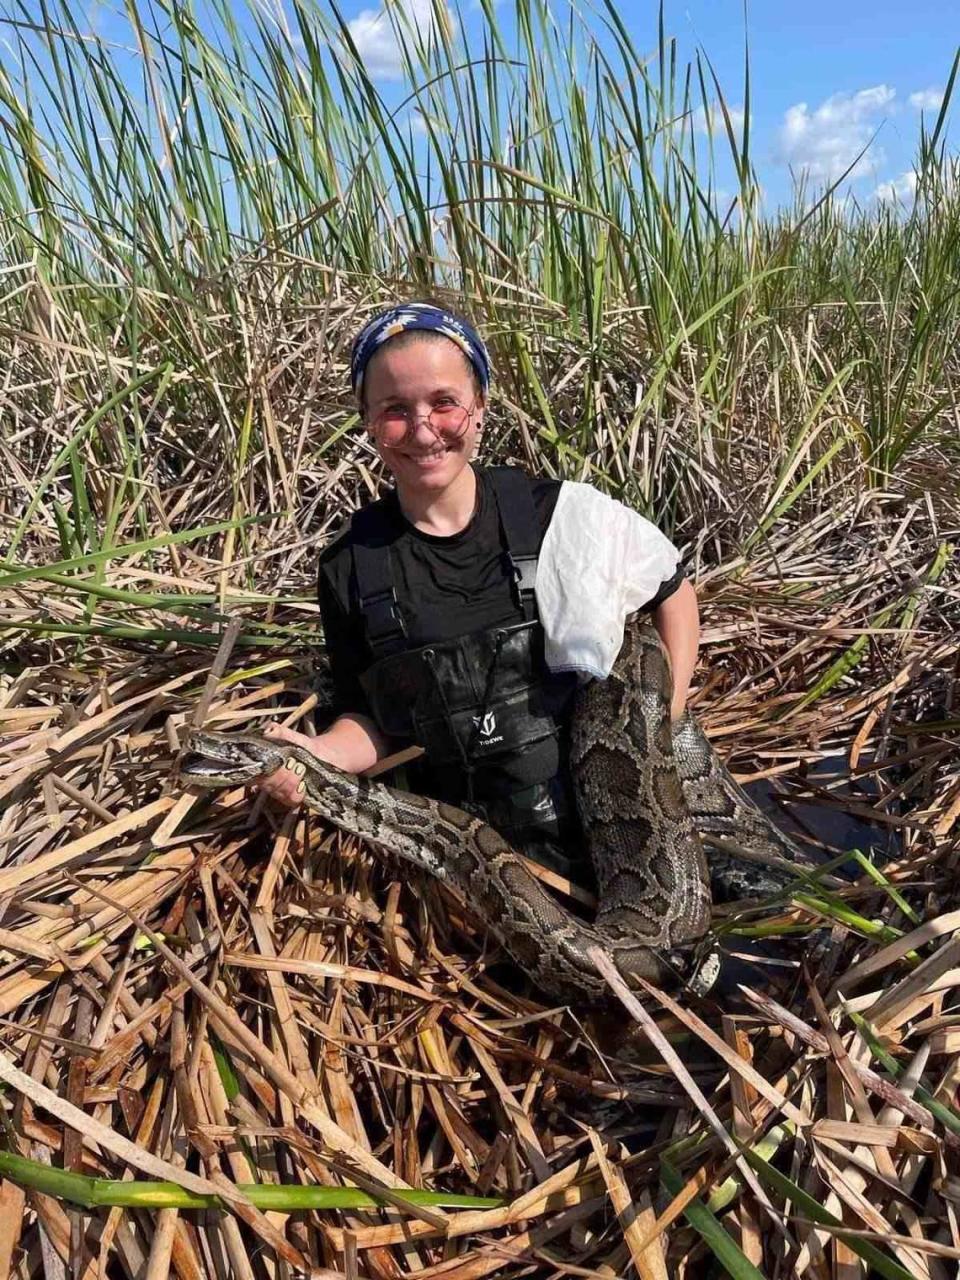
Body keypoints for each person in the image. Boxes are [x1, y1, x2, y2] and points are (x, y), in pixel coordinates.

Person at [259, 301, 700, 884]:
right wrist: (317, 759)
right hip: (494, 851)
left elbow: (672, 593)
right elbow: (374, 721)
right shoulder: (351, 566)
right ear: (367, 420)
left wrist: (657, 730)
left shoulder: (555, 515)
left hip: (630, 807)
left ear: (480, 407)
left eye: (445, 403)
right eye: (394, 410)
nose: (423, 430)